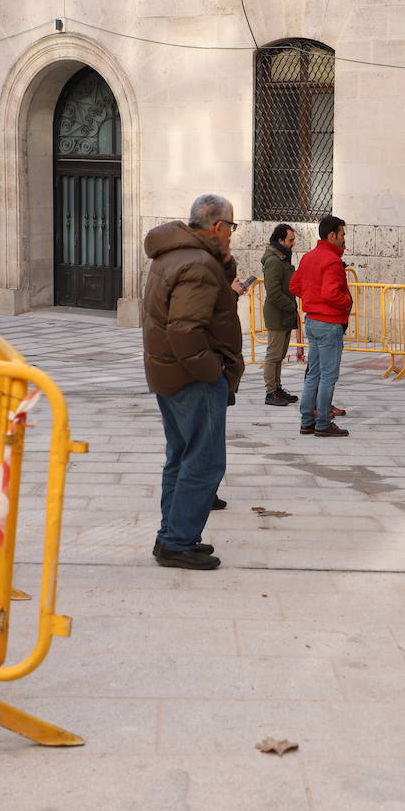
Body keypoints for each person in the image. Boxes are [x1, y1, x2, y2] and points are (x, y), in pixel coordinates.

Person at [141, 193, 244, 570]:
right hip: (192, 378)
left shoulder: (175, 254)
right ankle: (178, 541)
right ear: (218, 226)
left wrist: (225, 267)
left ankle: (173, 535)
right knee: (204, 462)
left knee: (181, 457)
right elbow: (185, 330)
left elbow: (207, 302)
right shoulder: (198, 264)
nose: (232, 234)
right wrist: (212, 371)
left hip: (169, 373)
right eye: (231, 227)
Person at [290, 214, 352, 437]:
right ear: (332, 235)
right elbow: (331, 292)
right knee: (327, 375)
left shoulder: (309, 257)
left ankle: (307, 419)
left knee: (314, 373)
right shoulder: (332, 261)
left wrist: (311, 296)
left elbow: (295, 285)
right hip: (329, 322)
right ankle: (323, 422)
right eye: (343, 234)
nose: (345, 238)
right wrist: (347, 302)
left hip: (313, 320)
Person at [260, 223, 300, 407]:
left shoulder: (282, 258)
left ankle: (277, 388)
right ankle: (270, 391)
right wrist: (290, 306)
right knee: (273, 355)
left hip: (284, 313)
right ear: (280, 240)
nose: (293, 243)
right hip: (278, 314)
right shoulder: (274, 261)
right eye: (290, 240)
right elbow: (273, 291)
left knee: (280, 355)